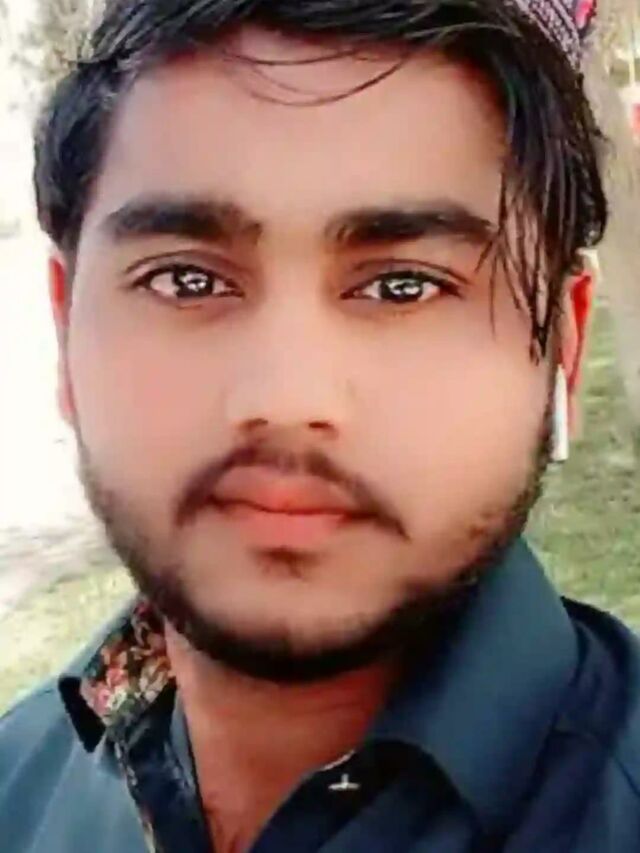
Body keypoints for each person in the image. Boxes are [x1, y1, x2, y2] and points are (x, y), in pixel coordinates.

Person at [1, 0, 638, 850]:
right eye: (187, 280)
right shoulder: (16, 787)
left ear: (563, 344)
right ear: (64, 324)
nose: (288, 395)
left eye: (403, 286)